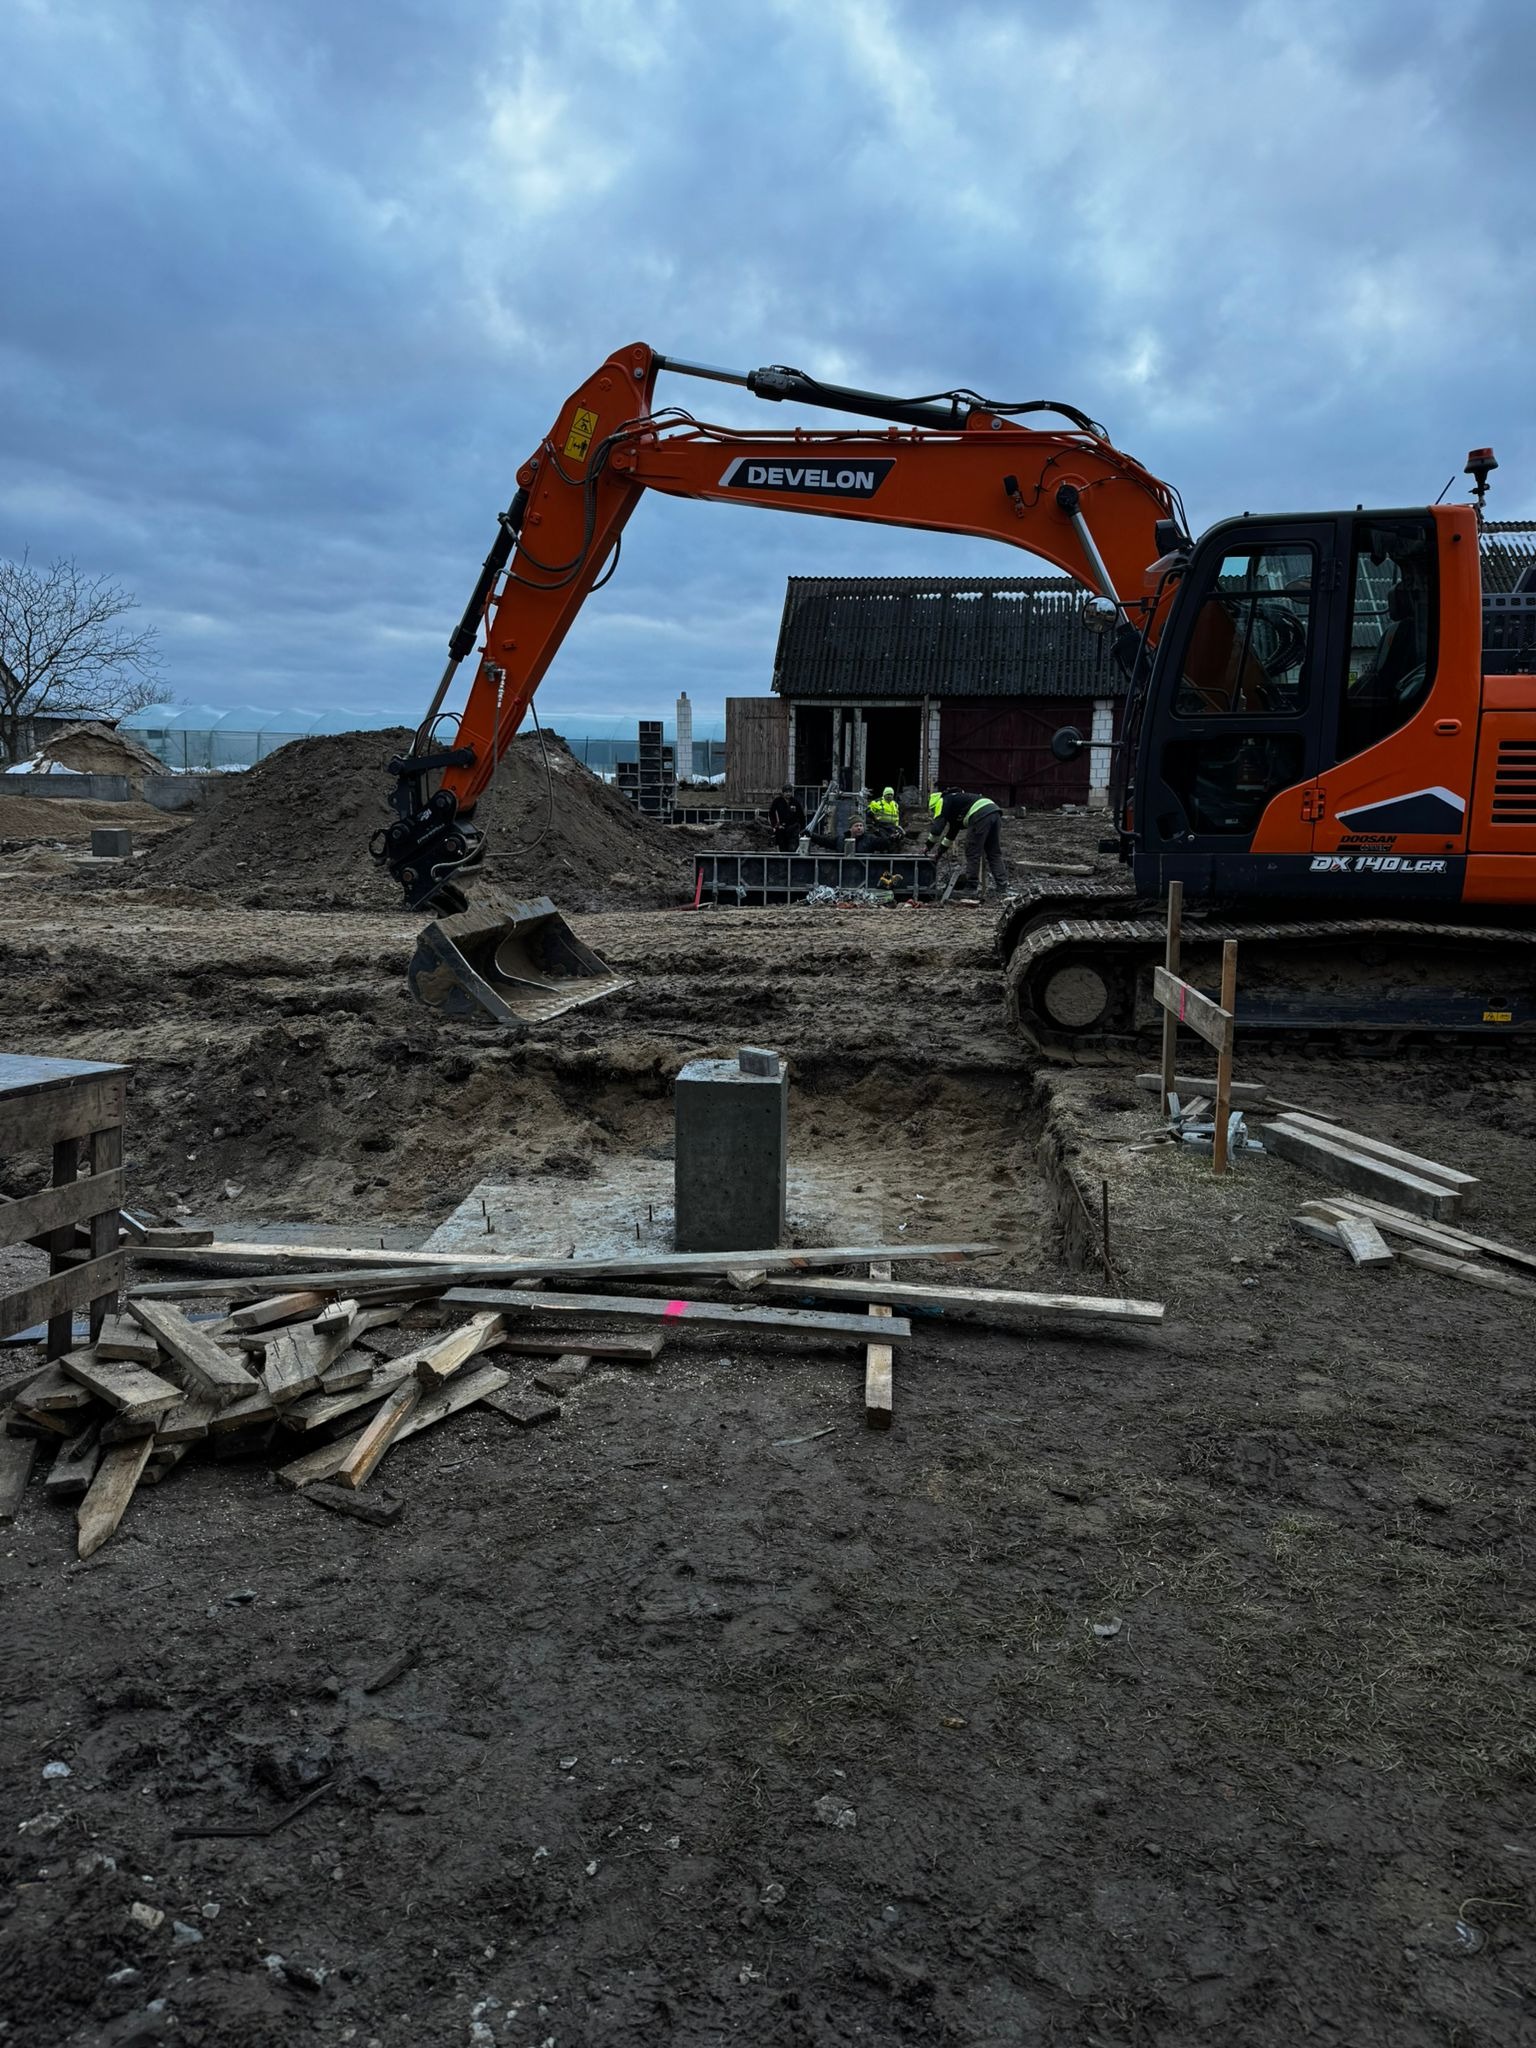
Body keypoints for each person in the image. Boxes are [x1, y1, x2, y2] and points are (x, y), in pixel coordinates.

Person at [924, 787, 1006, 901]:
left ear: (934, 805)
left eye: (934, 811)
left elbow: (938, 828)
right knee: (994, 852)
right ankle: (1002, 886)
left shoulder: (943, 801)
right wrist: (939, 852)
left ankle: (971, 887)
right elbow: (951, 835)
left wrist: (927, 846)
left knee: (972, 850)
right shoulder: (957, 808)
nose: (934, 813)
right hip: (994, 811)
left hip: (980, 814)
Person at [864, 786, 904, 852]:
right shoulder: (877, 802)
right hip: (881, 826)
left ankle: (894, 854)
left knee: (899, 837)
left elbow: (896, 817)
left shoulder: (895, 804)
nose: (889, 796)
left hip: (892, 826)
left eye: (891, 794)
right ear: (884, 794)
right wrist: (873, 823)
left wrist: (897, 827)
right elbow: (868, 813)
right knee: (885, 840)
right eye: (888, 794)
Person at [767, 784, 805, 852]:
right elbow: (771, 813)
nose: (788, 794)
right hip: (782, 828)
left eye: (789, 792)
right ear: (783, 793)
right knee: (783, 848)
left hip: (793, 829)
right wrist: (775, 825)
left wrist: (802, 829)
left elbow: (801, 816)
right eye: (786, 792)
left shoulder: (795, 802)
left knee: (792, 849)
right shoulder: (778, 801)